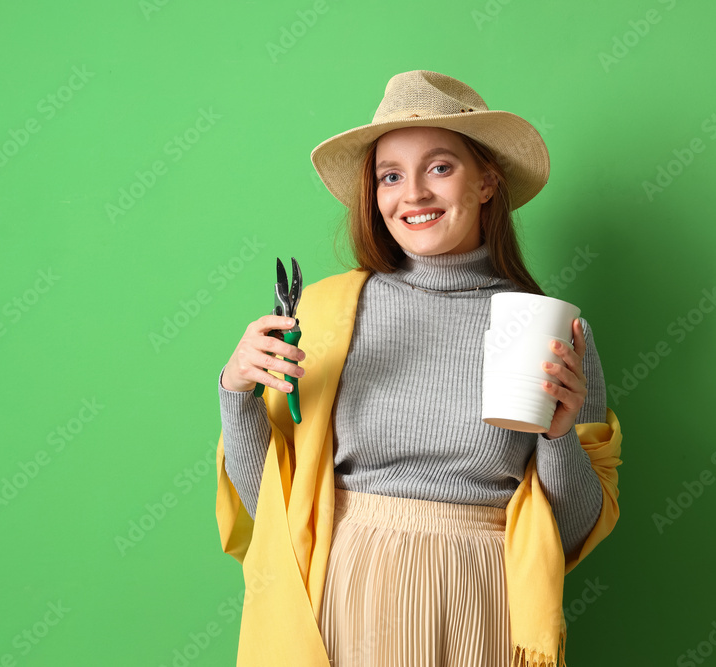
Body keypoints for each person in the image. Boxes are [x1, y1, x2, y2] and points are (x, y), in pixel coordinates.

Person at [215, 70, 622, 667]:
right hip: (345, 594)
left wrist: (559, 437)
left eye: (439, 167)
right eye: (390, 176)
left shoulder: (548, 332)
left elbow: (569, 534)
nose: (413, 195)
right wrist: (237, 394)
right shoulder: (327, 313)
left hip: (486, 602)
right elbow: (270, 509)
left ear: (486, 182)